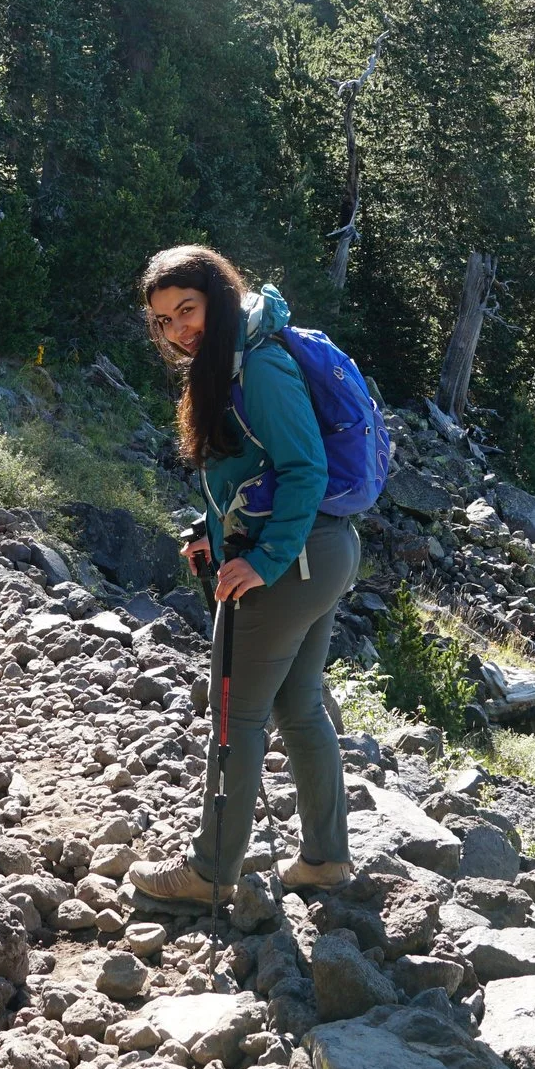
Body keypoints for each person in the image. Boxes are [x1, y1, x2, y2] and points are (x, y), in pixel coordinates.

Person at [128, 244, 359, 905]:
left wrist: (262, 560)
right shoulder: (233, 359)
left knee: (236, 714)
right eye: (165, 319)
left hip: (293, 560)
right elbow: (248, 467)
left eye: (188, 309)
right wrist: (214, 531)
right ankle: (324, 858)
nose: (178, 328)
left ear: (219, 298)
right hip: (318, 555)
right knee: (299, 706)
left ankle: (209, 873)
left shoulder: (258, 366)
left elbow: (305, 469)